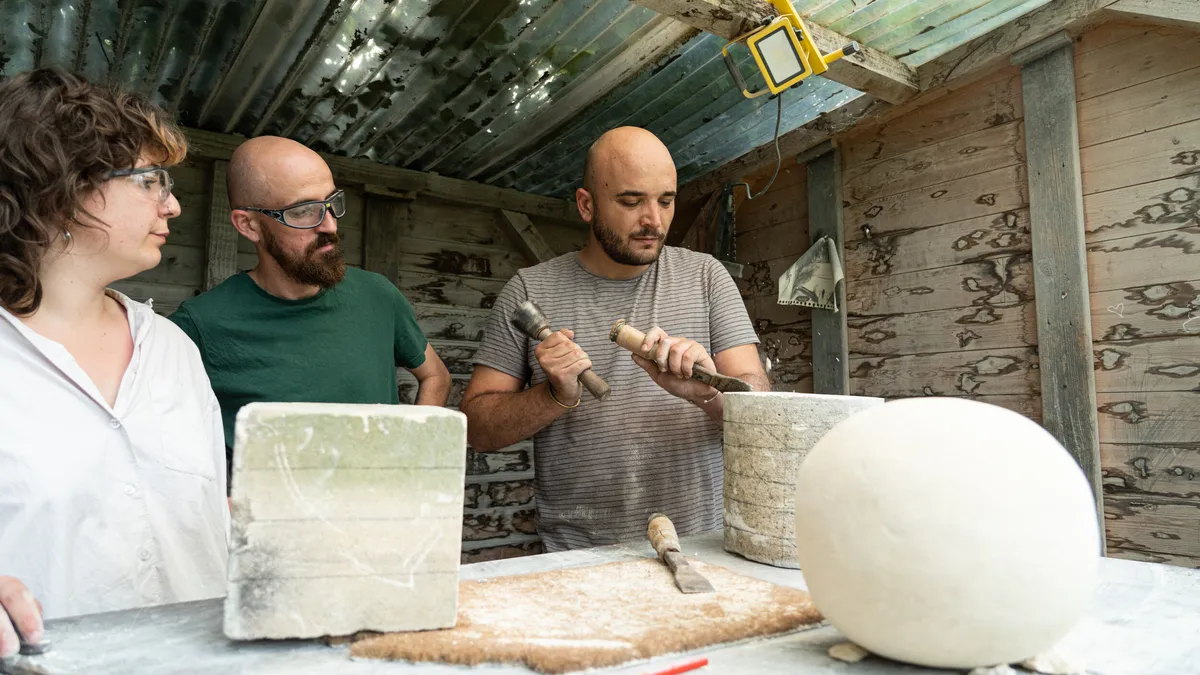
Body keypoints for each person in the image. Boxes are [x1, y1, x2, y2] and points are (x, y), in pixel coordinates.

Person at [0, 69, 228, 657]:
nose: (172, 204)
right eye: (152, 181)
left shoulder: (174, 351)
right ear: (65, 187)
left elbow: (207, 521)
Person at [460, 126, 769, 552]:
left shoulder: (707, 277)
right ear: (587, 205)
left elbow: (760, 409)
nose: (653, 221)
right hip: (579, 554)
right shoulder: (529, 290)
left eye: (666, 200)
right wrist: (553, 395)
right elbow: (477, 429)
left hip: (705, 545)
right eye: (630, 201)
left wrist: (708, 391)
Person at [168, 136, 452, 475]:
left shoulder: (378, 295)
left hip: (375, 522)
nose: (329, 225)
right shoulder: (197, 326)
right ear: (249, 225)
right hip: (269, 526)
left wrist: (410, 454)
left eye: (332, 202)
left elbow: (436, 375)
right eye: (303, 211)